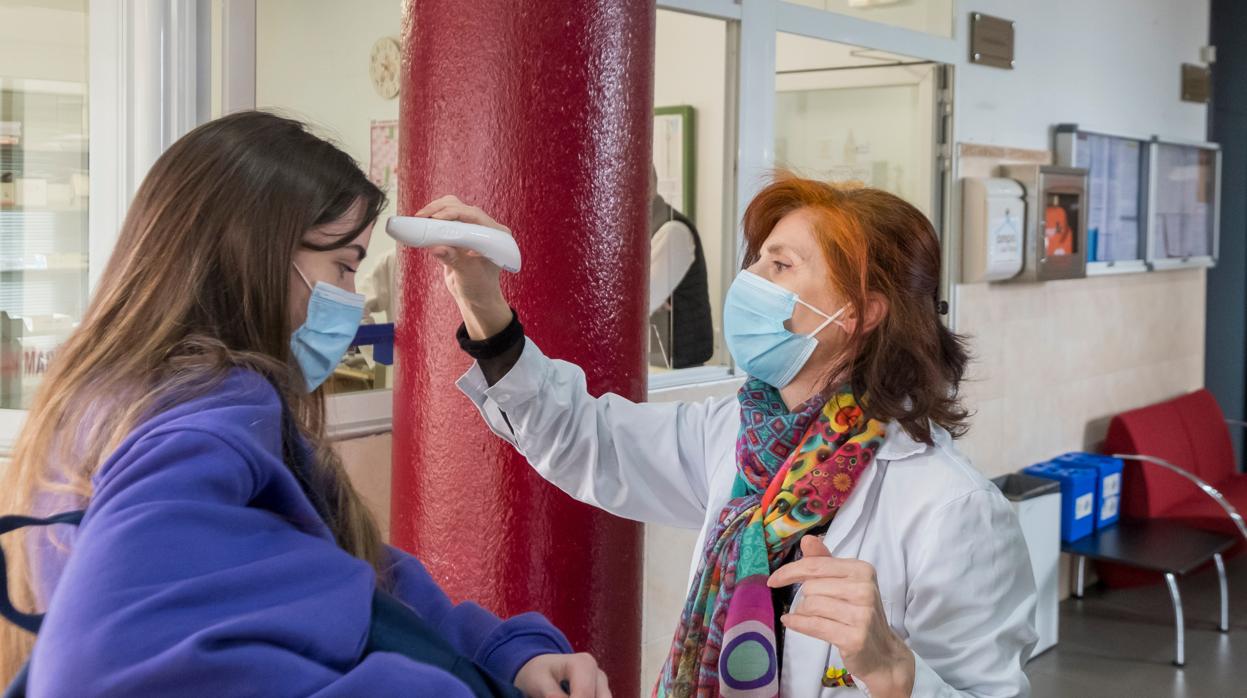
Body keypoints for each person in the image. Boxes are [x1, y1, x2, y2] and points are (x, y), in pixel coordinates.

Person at [0, 111, 609, 698]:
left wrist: (495, 650)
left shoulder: (97, 395)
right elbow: (98, 667)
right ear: (252, 254)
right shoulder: (215, 410)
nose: (353, 300)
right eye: (344, 268)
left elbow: (338, 569)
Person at [427, 176, 1037, 697]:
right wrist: (482, 303)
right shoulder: (743, 439)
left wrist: (893, 670)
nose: (749, 281)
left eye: (781, 265)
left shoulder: (954, 509)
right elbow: (584, 437)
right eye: (757, 261)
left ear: (859, 312)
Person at [648, 167, 713, 369]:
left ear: (648, 184)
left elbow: (641, 302)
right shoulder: (644, 225)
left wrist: (642, 301)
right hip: (657, 359)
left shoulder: (672, 229)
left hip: (677, 367)